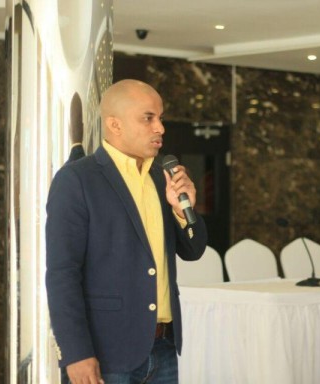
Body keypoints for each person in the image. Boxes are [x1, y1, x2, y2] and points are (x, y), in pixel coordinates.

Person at [45, 79, 207, 384]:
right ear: (114, 125)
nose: (160, 128)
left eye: (160, 118)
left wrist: (183, 210)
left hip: (163, 346)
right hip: (107, 352)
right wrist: (76, 353)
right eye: (148, 118)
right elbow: (62, 272)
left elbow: (194, 250)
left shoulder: (163, 178)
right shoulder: (78, 179)